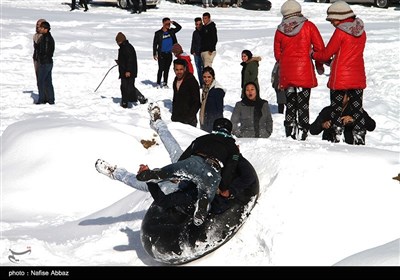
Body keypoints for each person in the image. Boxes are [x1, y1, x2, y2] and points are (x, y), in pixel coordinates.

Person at [95, 105, 257, 223]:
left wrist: (176, 171)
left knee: (150, 183)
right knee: (171, 152)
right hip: (194, 174)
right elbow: (229, 170)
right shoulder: (230, 146)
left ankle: (117, 172)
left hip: (189, 171)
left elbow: (238, 170)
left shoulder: (221, 145)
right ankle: (156, 123)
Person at [136, 117, 240, 226]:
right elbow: (230, 168)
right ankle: (202, 203)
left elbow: (184, 157)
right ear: (229, 131)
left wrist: (178, 171)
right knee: (206, 192)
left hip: (195, 161)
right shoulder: (232, 147)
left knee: (173, 170)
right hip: (213, 170)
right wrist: (224, 187)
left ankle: (158, 174)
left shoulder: (202, 138)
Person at [312, 1, 367, 145]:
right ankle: (359, 138)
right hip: (358, 77)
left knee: (336, 111)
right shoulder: (361, 31)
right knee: (357, 110)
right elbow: (349, 55)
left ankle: (336, 139)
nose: (331, 23)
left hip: (340, 78)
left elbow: (325, 54)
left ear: (339, 16)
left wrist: (313, 54)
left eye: (332, 20)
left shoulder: (341, 31)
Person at [273, 0, 325, 141]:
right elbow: (320, 48)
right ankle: (303, 131)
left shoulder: (280, 30)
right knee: (303, 105)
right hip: (304, 73)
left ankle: (290, 131)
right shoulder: (309, 26)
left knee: (290, 104)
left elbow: (278, 55)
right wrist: (319, 66)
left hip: (288, 75)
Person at [309, 93, 375, 145]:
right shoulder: (328, 111)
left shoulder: (356, 111)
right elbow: (312, 130)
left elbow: (372, 126)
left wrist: (354, 120)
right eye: (337, 96)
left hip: (352, 148)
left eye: (342, 96)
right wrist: (322, 125)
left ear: (348, 98)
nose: (339, 98)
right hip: (330, 148)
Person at [153, 18, 182, 89]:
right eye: (166, 24)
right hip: (161, 53)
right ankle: (158, 82)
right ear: (163, 23)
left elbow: (179, 27)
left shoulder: (171, 31)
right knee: (161, 68)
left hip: (169, 53)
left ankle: (165, 82)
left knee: (167, 69)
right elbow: (155, 44)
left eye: (169, 24)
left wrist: (173, 22)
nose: (168, 25)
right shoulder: (158, 33)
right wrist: (154, 53)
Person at [171, 59, 201, 127]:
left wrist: (188, 118)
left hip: (188, 121)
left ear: (185, 69)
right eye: (177, 70)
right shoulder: (175, 80)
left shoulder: (191, 81)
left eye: (181, 69)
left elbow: (196, 102)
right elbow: (175, 99)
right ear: (174, 69)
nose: (179, 72)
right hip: (177, 119)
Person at [115, 32, 139, 108]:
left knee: (126, 87)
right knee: (127, 87)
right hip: (125, 71)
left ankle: (126, 102)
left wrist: (128, 70)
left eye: (118, 41)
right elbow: (125, 59)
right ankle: (132, 99)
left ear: (120, 41)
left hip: (128, 71)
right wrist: (119, 62)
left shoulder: (127, 47)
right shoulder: (123, 47)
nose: (117, 43)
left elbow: (130, 60)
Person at [199, 66, 225, 133]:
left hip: (212, 124)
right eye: (204, 77)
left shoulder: (217, 90)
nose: (206, 79)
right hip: (205, 121)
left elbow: (219, 110)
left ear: (213, 77)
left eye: (209, 77)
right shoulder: (206, 88)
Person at [36, 21, 55, 105]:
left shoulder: (46, 39)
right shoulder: (45, 37)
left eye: (41, 28)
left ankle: (42, 100)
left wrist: (41, 59)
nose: (39, 29)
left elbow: (46, 51)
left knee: (41, 81)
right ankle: (50, 100)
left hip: (45, 63)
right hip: (48, 63)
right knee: (48, 81)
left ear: (45, 29)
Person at [190, 17, 204, 87]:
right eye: (197, 24)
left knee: (204, 69)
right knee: (198, 69)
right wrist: (192, 50)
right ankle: (201, 84)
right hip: (196, 53)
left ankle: (206, 83)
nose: (198, 26)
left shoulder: (205, 31)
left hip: (203, 53)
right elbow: (193, 42)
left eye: (199, 24)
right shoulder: (195, 33)